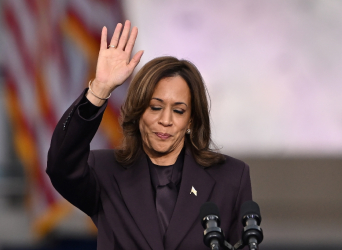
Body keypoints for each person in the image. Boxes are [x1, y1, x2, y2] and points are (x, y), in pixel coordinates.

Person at [47, 20, 252, 250]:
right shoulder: (105, 172)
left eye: (178, 110)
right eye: (155, 107)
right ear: (138, 111)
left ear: (191, 120)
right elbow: (60, 166)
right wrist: (100, 90)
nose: (165, 120)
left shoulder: (231, 177)